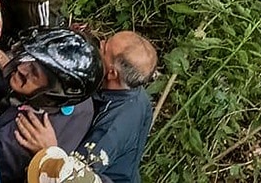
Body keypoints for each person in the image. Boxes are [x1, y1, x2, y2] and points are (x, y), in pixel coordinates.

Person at [16, 31, 158, 183]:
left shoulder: (111, 129)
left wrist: (49, 151)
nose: (100, 43)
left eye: (104, 49)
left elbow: (78, 175)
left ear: (111, 74)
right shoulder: (132, 91)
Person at [0, 27, 102, 183]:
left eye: (34, 73)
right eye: (28, 58)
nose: (21, 68)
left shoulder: (15, 139)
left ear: (52, 95)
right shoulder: (83, 106)